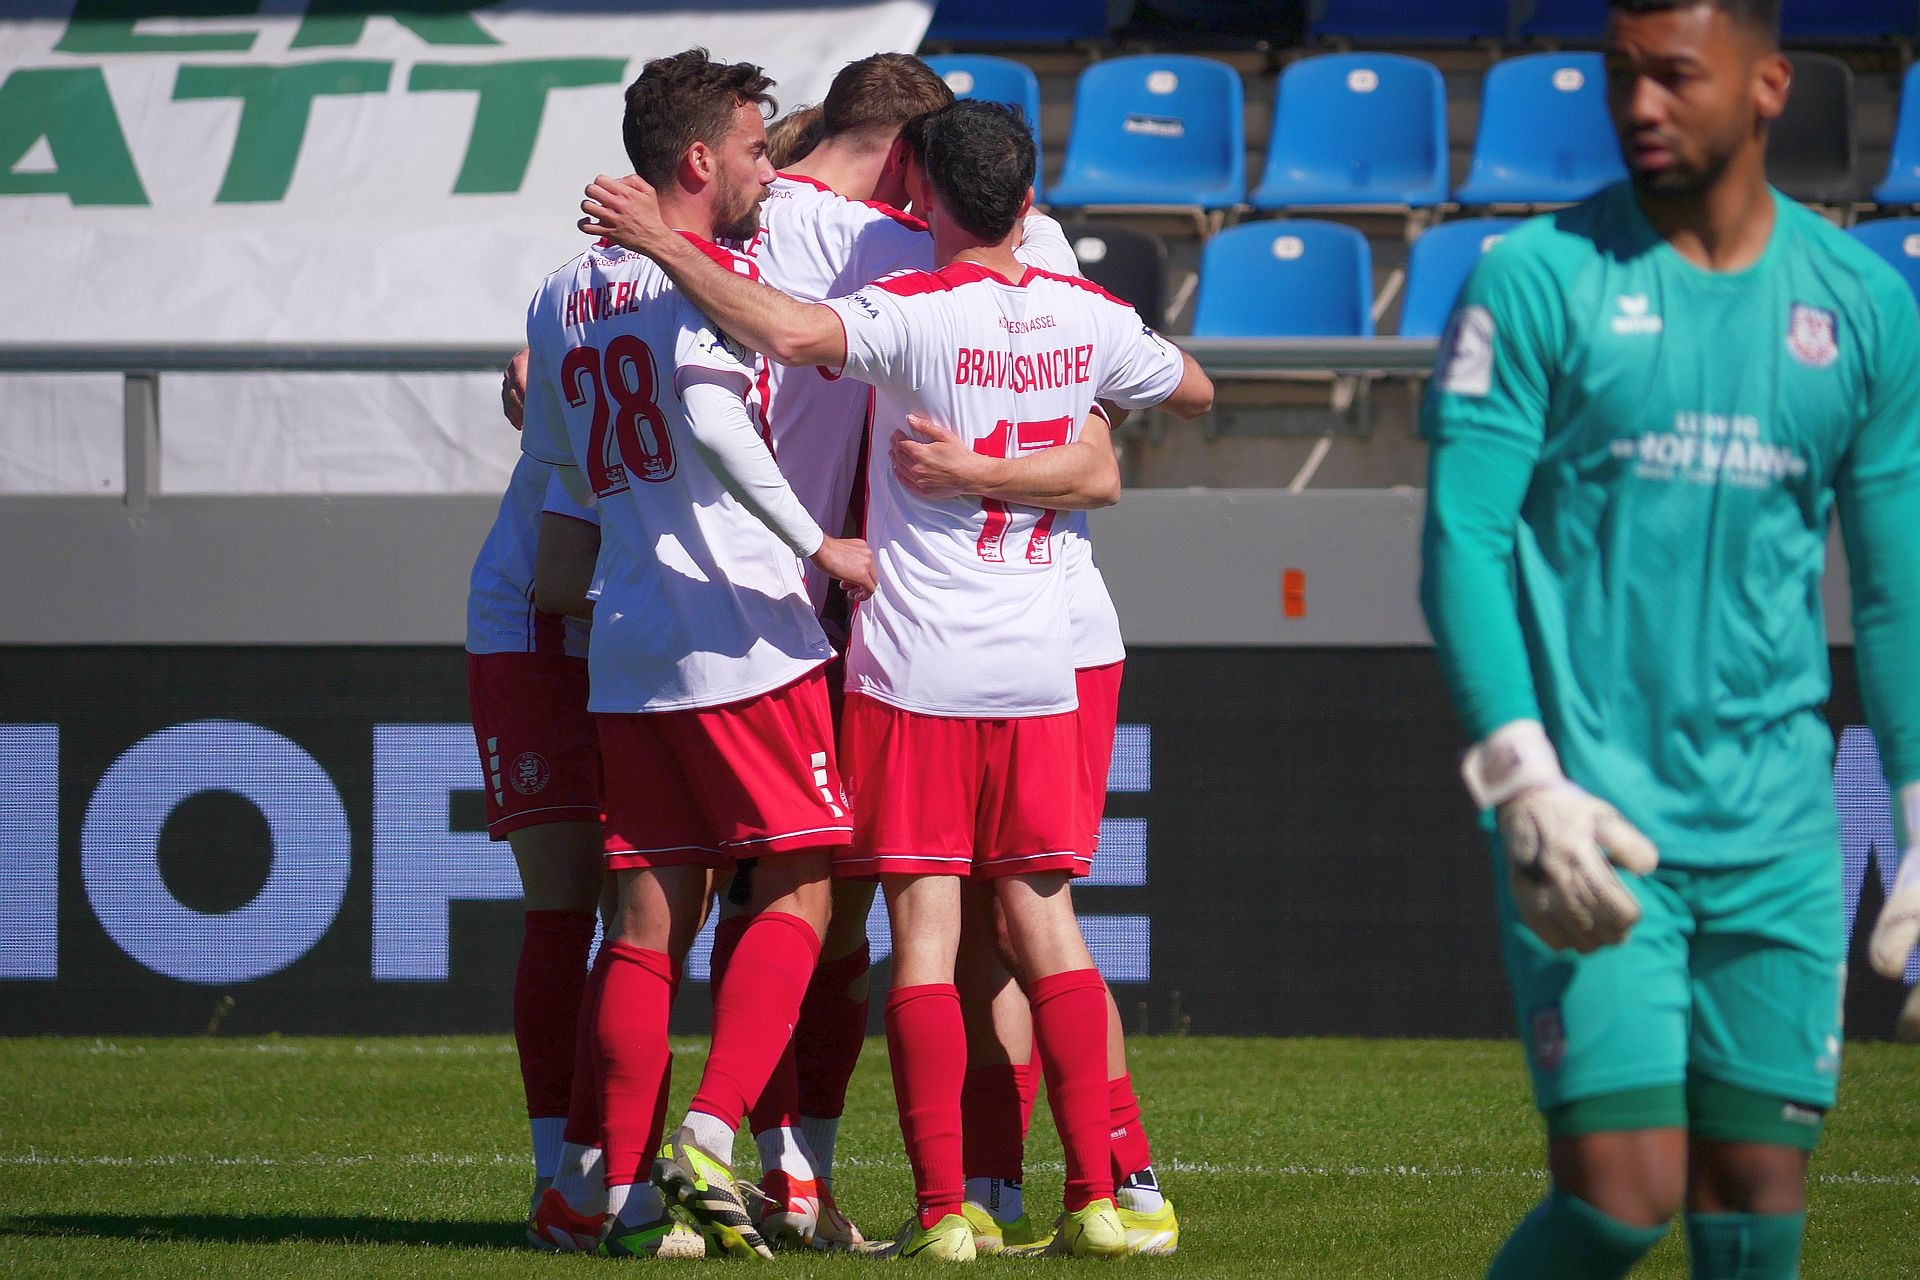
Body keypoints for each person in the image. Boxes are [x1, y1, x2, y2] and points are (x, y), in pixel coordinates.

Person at [578, 97, 1213, 1260]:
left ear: (919, 191)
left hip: (913, 660)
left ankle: (941, 1213)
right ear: (1029, 199)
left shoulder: (908, 309)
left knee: (919, 937)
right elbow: (1189, 395)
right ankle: (1102, 1190)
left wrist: (663, 242)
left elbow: (784, 332)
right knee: (1045, 928)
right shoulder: (1087, 311)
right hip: (1043, 660)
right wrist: (1045, 438)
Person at [1420, 3, 1920, 1277]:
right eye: (1622, 76)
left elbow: (1893, 587)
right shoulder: (1536, 278)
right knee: (1622, 1191)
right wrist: (1521, 774)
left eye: (1676, 77)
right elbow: (1462, 540)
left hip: (1782, 831)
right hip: (1587, 813)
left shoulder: (1865, 303)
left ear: (1769, 85)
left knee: (1756, 1194)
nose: (1641, 106)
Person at [518, 47, 875, 1260]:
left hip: (629, 641)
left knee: (644, 918)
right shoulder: (712, 281)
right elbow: (717, 415)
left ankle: (613, 1194)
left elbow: (563, 465)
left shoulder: (558, 293)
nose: (769, 169)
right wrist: (820, 542)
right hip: (742, 629)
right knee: (804, 884)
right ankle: (711, 1135)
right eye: (757, 148)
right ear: (696, 160)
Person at [462, 453, 610, 1244]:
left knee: (650, 910)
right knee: (567, 906)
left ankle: (608, 1166)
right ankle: (561, 1176)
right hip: (541, 639)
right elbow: (557, 580)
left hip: (639, 637)